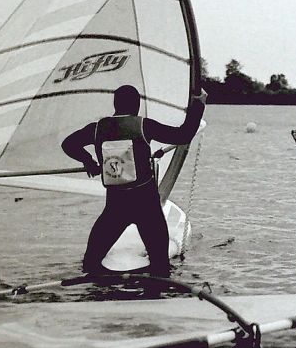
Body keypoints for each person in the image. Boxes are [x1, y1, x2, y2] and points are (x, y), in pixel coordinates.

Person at [61, 84, 206, 278]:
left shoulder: (97, 129)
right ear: (136, 105)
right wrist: (198, 106)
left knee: (90, 263)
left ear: (115, 104)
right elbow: (183, 135)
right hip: (146, 206)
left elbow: (68, 144)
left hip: (116, 206)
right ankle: (156, 296)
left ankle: (99, 294)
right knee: (160, 266)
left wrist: (89, 162)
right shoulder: (143, 126)